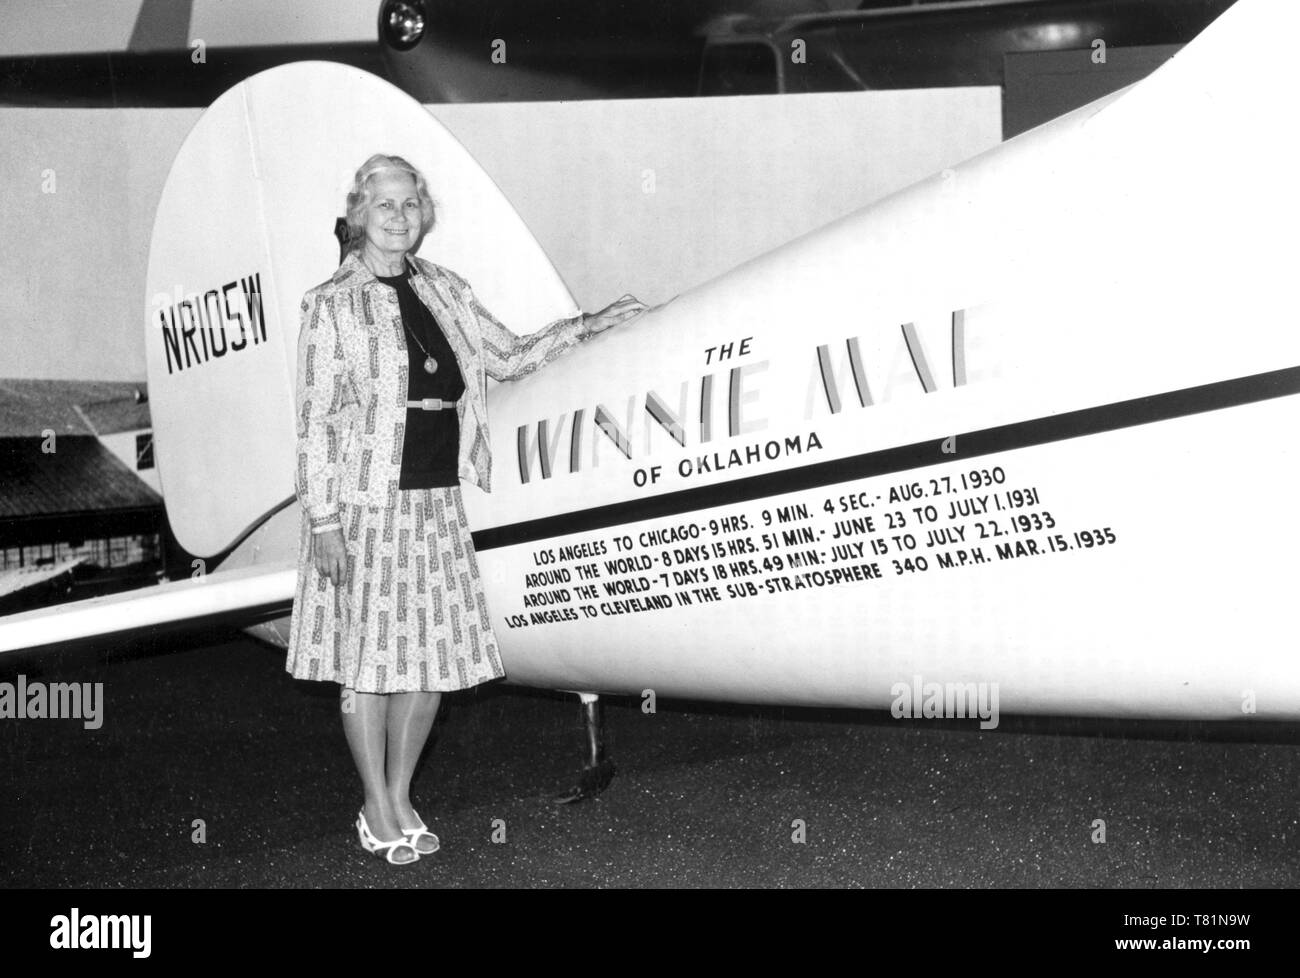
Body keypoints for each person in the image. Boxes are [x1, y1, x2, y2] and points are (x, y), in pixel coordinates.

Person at [285, 153, 646, 864]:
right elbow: (315, 421)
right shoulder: (329, 303)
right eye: (384, 205)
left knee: (427, 661)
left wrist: (588, 325)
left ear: (424, 217)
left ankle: (401, 789)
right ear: (359, 216)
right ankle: (375, 805)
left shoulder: (445, 289)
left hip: (434, 500)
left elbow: (507, 356)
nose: (398, 217)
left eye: (410, 205)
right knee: (368, 663)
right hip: (363, 502)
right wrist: (322, 521)